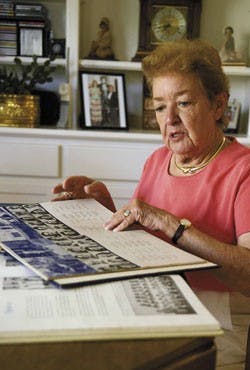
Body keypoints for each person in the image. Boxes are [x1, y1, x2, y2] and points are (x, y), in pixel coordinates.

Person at [52, 39, 250, 369]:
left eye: (184, 103)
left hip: (217, 320)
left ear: (219, 106)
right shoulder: (158, 160)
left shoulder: (244, 169)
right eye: (159, 107)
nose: (169, 119)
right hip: (151, 303)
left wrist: (174, 226)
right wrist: (100, 206)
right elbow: (146, 235)